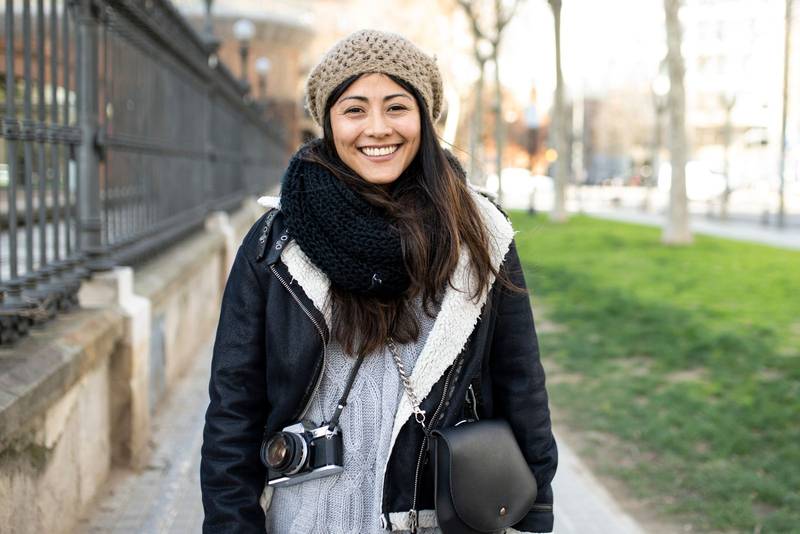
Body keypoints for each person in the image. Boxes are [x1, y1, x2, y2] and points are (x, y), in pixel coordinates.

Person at [200, 29, 557, 534]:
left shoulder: (480, 234)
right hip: (311, 520)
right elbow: (233, 410)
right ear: (328, 123)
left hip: (440, 519)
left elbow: (522, 387)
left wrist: (535, 518)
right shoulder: (276, 245)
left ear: (424, 119)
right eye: (354, 110)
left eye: (396, 107)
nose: (376, 128)